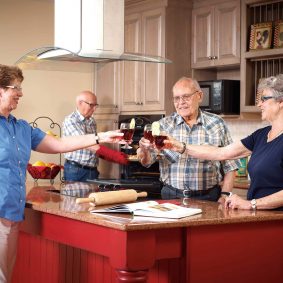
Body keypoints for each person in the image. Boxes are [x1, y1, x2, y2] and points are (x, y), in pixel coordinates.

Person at [0, 64, 123, 283]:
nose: (21, 93)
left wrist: (100, 137)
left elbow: (60, 143)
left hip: (12, 213)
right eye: (15, 88)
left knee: (5, 276)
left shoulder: (21, 127)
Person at [165, 74, 283, 210]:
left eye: (264, 99)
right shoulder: (261, 135)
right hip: (258, 217)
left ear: (281, 101)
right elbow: (221, 152)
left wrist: (251, 204)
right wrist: (179, 145)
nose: (259, 104)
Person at [137, 77, 239, 201]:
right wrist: (144, 151)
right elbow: (147, 162)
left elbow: (231, 165)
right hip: (171, 196)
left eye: (186, 97)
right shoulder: (163, 125)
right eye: (177, 98)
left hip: (208, 197)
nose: (181, 102)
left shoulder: (217, 124)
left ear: (200, 96)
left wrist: (225, 195)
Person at [62, 90, 100, 182]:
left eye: (96, 105)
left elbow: (95, 143)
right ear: (80, 103)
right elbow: (86, 144)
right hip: (75, 171)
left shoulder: (92, 121)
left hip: (93, 170)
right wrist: (114, 155)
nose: (94, 109)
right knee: (74, 197)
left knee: (92, 197)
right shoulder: (70, 120)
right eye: (91, 105)